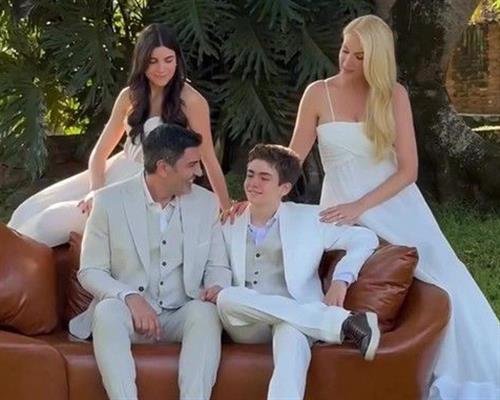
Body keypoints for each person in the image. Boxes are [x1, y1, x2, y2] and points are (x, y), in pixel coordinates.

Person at [289, 14, 500, 400]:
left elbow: (408, 170)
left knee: (445, 277)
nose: (347, 61)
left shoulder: (394, 95)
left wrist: (361, 206)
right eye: (345, 50)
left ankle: (464, 370)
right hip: (340, 206)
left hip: (394, 203)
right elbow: (292, 159)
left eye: (359, 57)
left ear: (377, 60)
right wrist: (260, 190)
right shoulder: (318, 93)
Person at [8, 23, 234, 247]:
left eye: (168, 60)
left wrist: (226, 208)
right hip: (114, 173)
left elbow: (209, 159)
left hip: (152, 186)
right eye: (153, 61)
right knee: (29, 211)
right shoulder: (130, 96)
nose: (161, 69)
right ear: (141, 61)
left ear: (177, 60)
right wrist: (96, 192)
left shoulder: (192, 101)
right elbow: (99, 154)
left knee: (52, 221)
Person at [69, 123, 231, 400]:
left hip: (180, 313)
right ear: (163, 167)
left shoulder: (206, 203)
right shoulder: (108, 202)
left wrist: (217, 287)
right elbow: (90, 271)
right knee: (107, 311)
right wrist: (130, 297)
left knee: (205, 314)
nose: (199, 172)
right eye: (191, 165)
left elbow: (218, 266)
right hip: (127, 315)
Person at [217, 144, 380, 400]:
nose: (253, 183)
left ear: (284, 188)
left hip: (295, 318)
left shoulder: (310, 218)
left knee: (292, 337)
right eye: (250, 174)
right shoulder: (228, 221)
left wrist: (341, 279)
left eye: (264, 177)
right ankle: (342, 322)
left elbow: (365, 238)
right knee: (227, 297)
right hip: (247, 323)